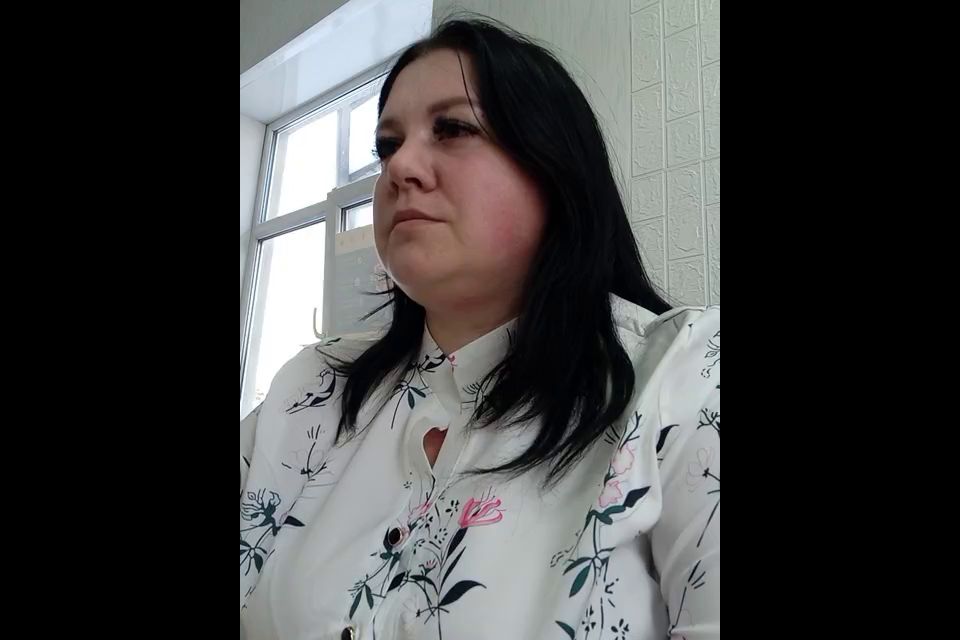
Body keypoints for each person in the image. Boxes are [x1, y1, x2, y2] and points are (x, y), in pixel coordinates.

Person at [240, 16, 719, 640]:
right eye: (387, 145)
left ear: (555, 166)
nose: (400, 166)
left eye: (454, 129)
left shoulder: (681, 381)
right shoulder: (309, 387)